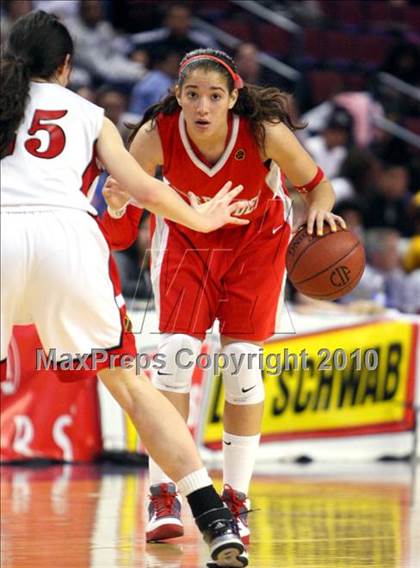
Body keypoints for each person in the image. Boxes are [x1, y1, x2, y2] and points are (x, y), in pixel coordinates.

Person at [0, 12, 250, 568]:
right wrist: (202, 219)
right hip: (67, 241)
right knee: (132, 386)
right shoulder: (89, 114)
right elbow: (141, 189)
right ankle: (215, 521)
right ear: (65, 67)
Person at [101, 47, 346, 546]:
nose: (203, 107)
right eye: (192, 95)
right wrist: (116, 202)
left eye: (215, 96)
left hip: (255, 252)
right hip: (188, 249)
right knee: (172, 361)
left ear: (234, 97)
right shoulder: (154, 137)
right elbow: (122, 232)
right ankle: (163, 494)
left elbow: (318, 188)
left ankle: (236, 497)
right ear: (177, 96)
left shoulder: (264, 133)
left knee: (242, 366)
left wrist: (319, 213)